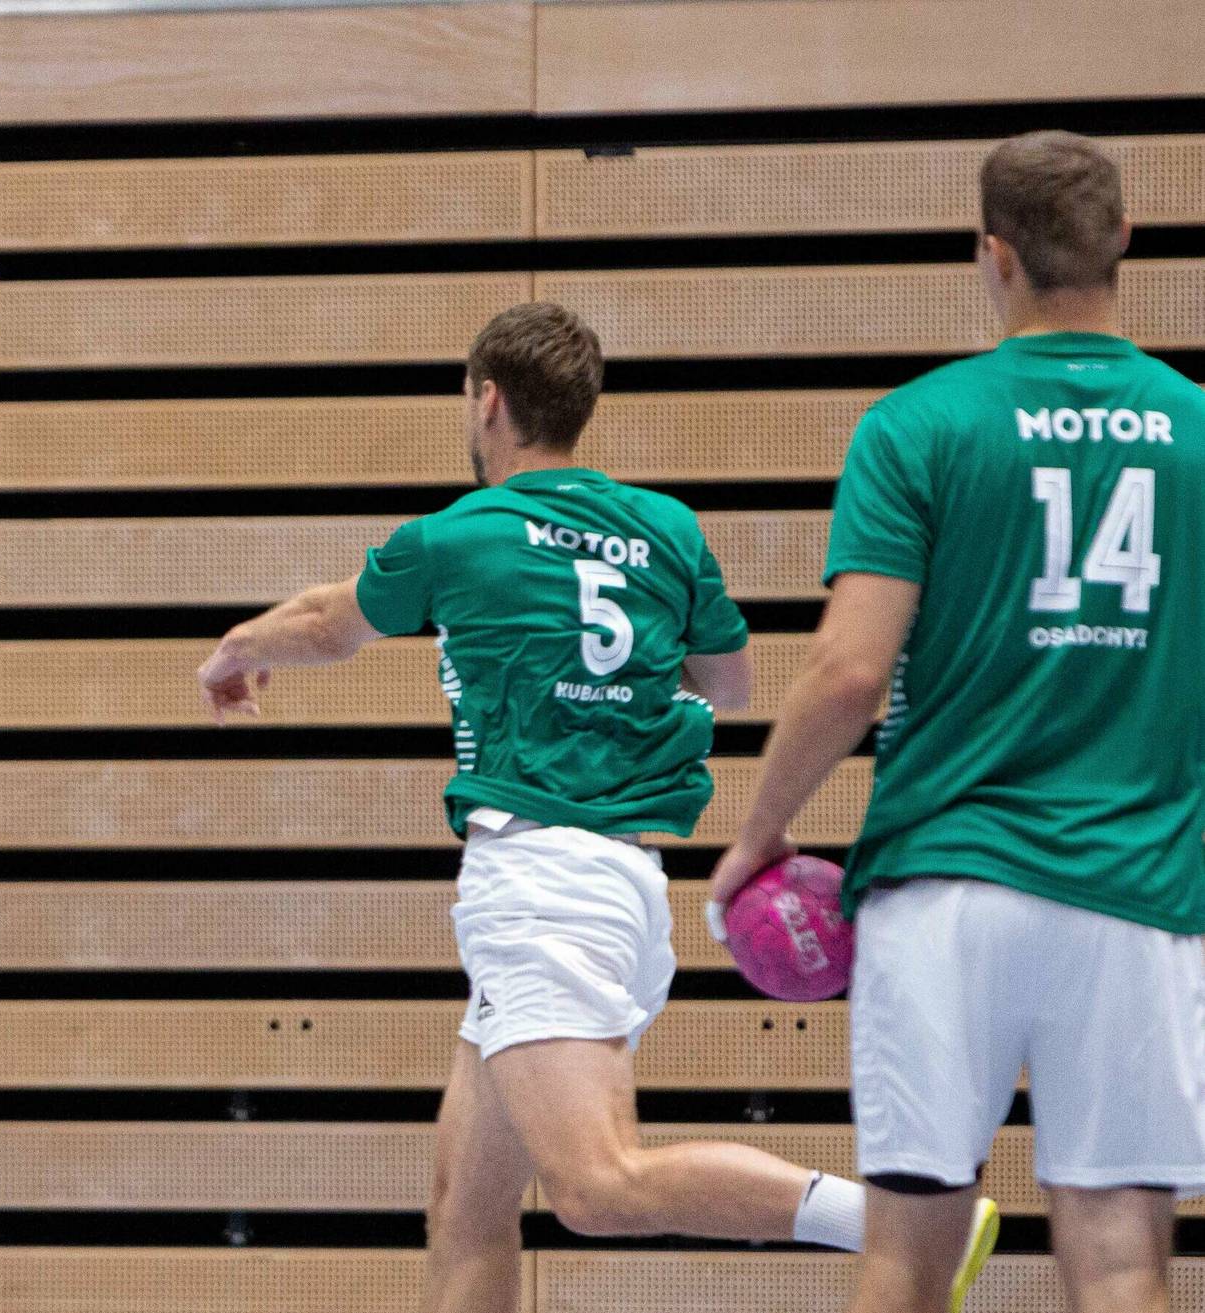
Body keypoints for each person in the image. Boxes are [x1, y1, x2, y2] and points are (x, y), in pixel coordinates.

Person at [195, 303, 998, 1313]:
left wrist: (236, 647)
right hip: (614, 880)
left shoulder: (461, 532)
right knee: (466, 1205)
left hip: (540, 885)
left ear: (488, 399)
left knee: (595, 1184)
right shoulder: (663, 529)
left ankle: (908, 1220)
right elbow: (731, 681)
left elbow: (325, 621)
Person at [708, 130, 1205, 1313]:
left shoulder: (919, 424)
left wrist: (756, 833)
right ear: (1124, 240)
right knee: (1124, 1259)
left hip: (945, 891)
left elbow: (846, 672)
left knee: (907, 1260)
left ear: (993, 255)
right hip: (1134, 892)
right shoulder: (1196, 425)